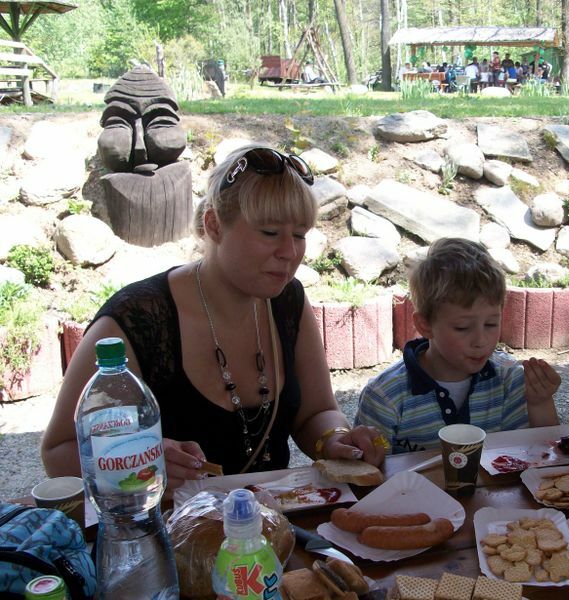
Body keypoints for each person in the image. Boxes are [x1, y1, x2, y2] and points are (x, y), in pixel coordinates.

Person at [41, 144, 386, 492]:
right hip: (169, 521)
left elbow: (315, 413)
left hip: (272, 518)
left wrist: (335, 439)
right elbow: (58, 451)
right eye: (270, 233)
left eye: (299, 235)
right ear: (214, 225)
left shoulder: (288, 300)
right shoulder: (136, 319)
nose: (290, 252)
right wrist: (139, 460)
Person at [354, 238, 561, 455]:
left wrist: (540, 403)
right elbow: (368, 469)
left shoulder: (509, 379)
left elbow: (542, 455)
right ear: (425, 325)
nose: (480, 340)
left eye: (491, 324)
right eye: (462, 327)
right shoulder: (384, 396)